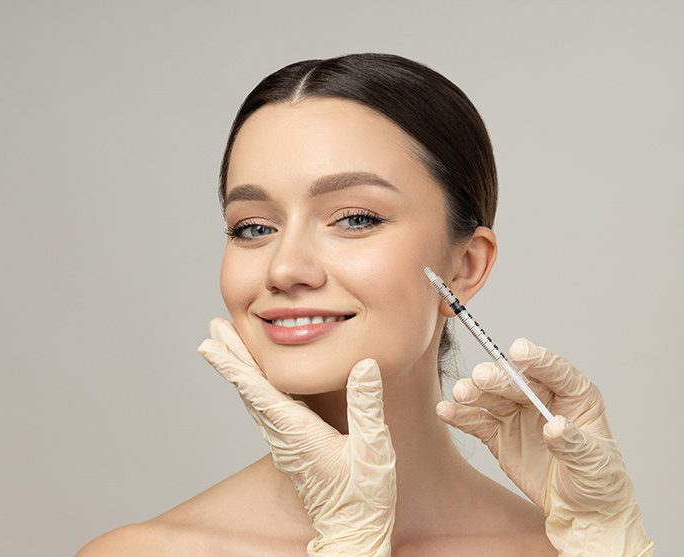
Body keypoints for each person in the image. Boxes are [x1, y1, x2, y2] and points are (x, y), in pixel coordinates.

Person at [76, 53, 653, 557]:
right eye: (252, 227)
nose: (284, 268)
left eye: (355, 218)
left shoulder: (570, 550)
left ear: (466, 265)